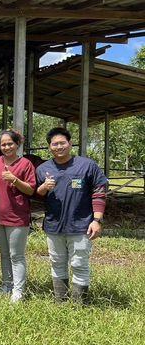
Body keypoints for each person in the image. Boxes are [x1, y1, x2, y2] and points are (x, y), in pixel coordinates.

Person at [36, 127, 107, 304]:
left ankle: (79, 304)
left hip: (81, 224)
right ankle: (60, 301)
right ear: (49, 147)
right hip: (54, 225)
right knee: (57, 262)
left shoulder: (86, 165)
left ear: (70, 144)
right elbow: (36, 193)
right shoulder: (43, 168)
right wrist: (44, 187)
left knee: (79, 264)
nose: (59, 147)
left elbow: (99, 191)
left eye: (62, 143)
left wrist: (97, 220)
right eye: (55, 144)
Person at [0, 129, 36, 303]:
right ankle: (6, 285)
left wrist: (14, 179)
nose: (7, 147)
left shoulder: (25, 164)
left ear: (17, 144)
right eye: (3, 144)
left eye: (10, 143)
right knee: (4, 254)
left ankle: (18, 290)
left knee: (17, 255)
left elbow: (31, 190)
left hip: (17, 216)